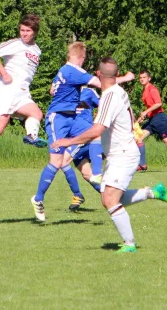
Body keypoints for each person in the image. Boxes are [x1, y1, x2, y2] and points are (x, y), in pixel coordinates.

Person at [51, 57, 167, 253]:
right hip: (120, 153)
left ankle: (130, 244)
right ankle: (154, 192)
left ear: (98, 75)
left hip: (123, 154)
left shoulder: (109, 97)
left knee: (109, 199)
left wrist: (68, 141)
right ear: (117, 75)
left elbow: (97, 130)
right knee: (109, 197)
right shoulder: (119, 92)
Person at [31, 43, 133, 221]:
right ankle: (38, 199)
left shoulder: (64, 70)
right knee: (57, 161)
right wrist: (125, 78)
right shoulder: (73, 71)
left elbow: (51, 89)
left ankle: (105, 192)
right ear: (82, 58)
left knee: (93, 134)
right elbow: (103, 82)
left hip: (72, 119)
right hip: (59, 118)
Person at [0, 14, 47, 185]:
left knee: (36, 113)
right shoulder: (16, 43)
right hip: (6, 90)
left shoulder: (37, 50)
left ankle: (31, 136)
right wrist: (4, 73)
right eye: (22, 30)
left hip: (22, 93)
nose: (24, 33)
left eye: (28, 31)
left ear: (35, 32)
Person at [135, 70, 167, 172]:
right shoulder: (144, 91)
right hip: (152, 119)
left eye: (144, 77)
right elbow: (149, 108)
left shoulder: (152, 89)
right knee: (138, 138)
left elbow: (158, 103)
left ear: (149, 78)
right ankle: (142, 164)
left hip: (159, 119)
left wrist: (145, 112)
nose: (142, 79)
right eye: (140, 78)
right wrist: (140, 119)